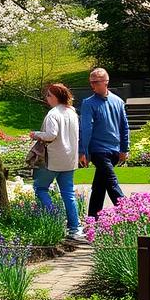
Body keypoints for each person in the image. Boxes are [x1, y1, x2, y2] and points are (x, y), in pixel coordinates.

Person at [29, 83, 83, 242]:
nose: (46, 98)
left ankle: (56, 219)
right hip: (69, 160)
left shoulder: (53, 114)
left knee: (40, 188)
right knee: (68, 193)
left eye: (48, 95)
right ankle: (75, 228)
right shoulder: (72, 113)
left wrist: (36, 134)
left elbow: (51, 135)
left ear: (55, 97)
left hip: (53, 159)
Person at [79, 67, 129, 217]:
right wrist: (84, 151)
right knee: (107, 183)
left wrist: (124, 149)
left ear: (105, 82)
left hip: (111, 151)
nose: (92, 85)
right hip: (99, 151)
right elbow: (85, 128)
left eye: (95, 82)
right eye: (91, 82)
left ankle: (131, 215)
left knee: (104, 186)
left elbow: (124, 127)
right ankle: (92, 221)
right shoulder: (89, 102)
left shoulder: (117, 102)